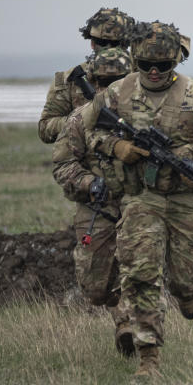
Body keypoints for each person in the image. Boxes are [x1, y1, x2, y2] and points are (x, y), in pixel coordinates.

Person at [82, 21, 193, 378]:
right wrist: (118, 146)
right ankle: (149, 359)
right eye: (146, 65)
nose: (155, 72)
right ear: (136, 60)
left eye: (163, 66)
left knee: (186, 281)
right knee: (141, 274)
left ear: (176, 61)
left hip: (187, 200)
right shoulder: (115, 94)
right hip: (140, 197)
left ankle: (189, 294)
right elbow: (87, 131)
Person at [52, 47, 135, 356]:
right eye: (105, 81)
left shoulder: (142, 117)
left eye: (120, 81)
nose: (112, 88)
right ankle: (120, 314)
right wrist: (90, 182)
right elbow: (62, 164)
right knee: (95, 286)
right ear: (95, 82)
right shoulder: (80, 119)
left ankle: (134, 328)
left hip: (136, 203)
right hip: (96, 206)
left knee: (139, 267)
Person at [39, 8, 134, 144]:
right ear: (92, 43)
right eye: (102, 42)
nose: (109, 49)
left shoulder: (144, 77)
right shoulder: (70, 79)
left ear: (126, 44)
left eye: (115, 44)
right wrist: (83, 119)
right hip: (84, 159)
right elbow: (45, 130)